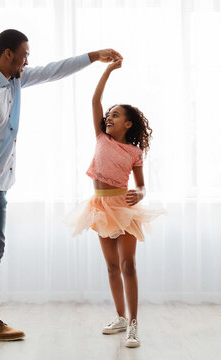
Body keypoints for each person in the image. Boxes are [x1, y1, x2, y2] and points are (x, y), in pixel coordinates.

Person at [0, 28, 122, 341]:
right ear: (8, 54)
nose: (28, 61)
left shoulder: (14, 80)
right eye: (24, 55)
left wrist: (94, 56)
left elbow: (52, 70)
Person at [64, 59, 166, 348]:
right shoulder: (100, 137)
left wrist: (141, 193)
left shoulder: (134, 151)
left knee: (128, 265)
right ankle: (120, 317)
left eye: (116, 115)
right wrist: (107, 70)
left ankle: (134, 324)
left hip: (124, 208)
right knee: (111, 267)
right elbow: (95, 99)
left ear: (128, 124)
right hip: (100, 207)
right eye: (108, 114)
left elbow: (142, 185)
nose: (109, 117)